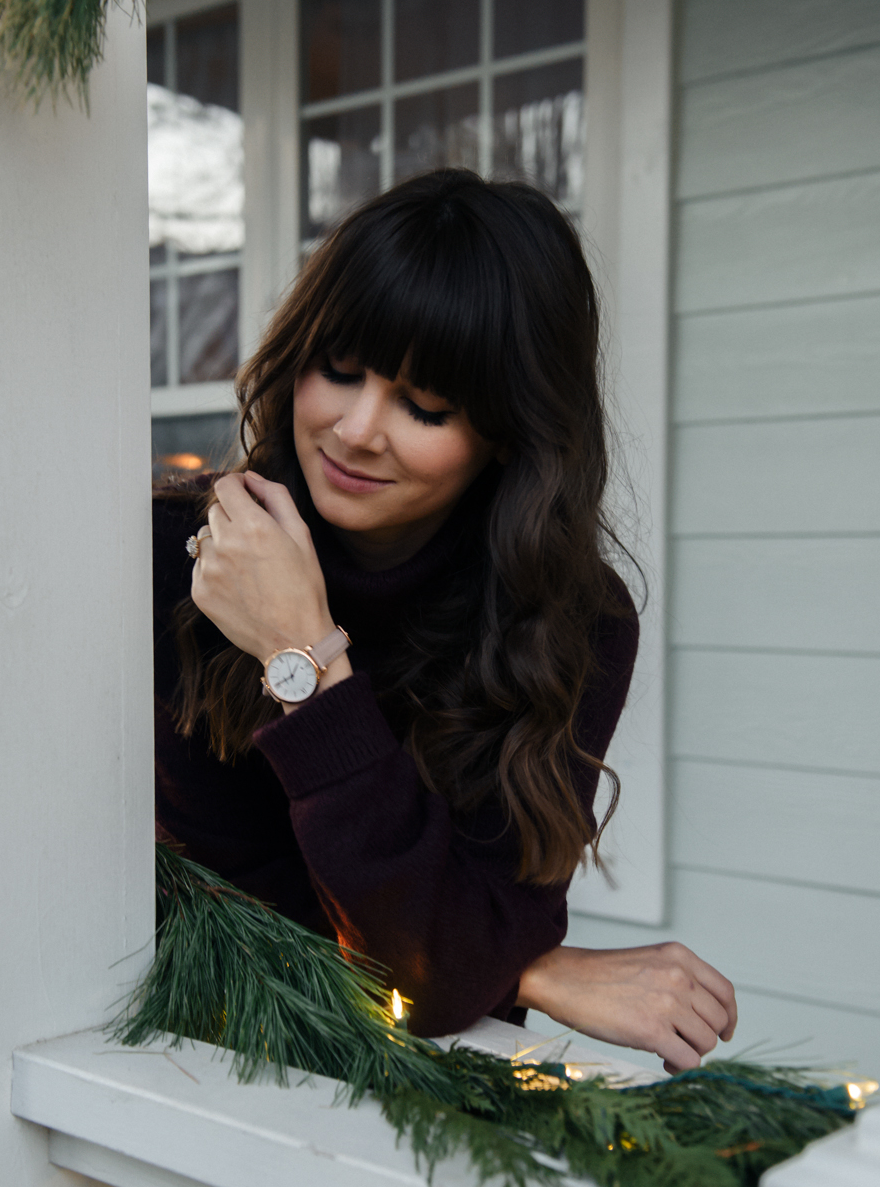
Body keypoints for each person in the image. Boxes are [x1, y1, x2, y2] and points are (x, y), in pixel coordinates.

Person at [153, 168, 737, 1077]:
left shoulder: (572, 627)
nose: (355, 430)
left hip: (398, 1109)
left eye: (425, 406)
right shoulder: (176, 550)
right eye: (337, 371)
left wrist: (301, 655)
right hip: (172, 1076)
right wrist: (526, 968)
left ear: (509, 431)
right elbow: (236, 905)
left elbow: (429, 972)